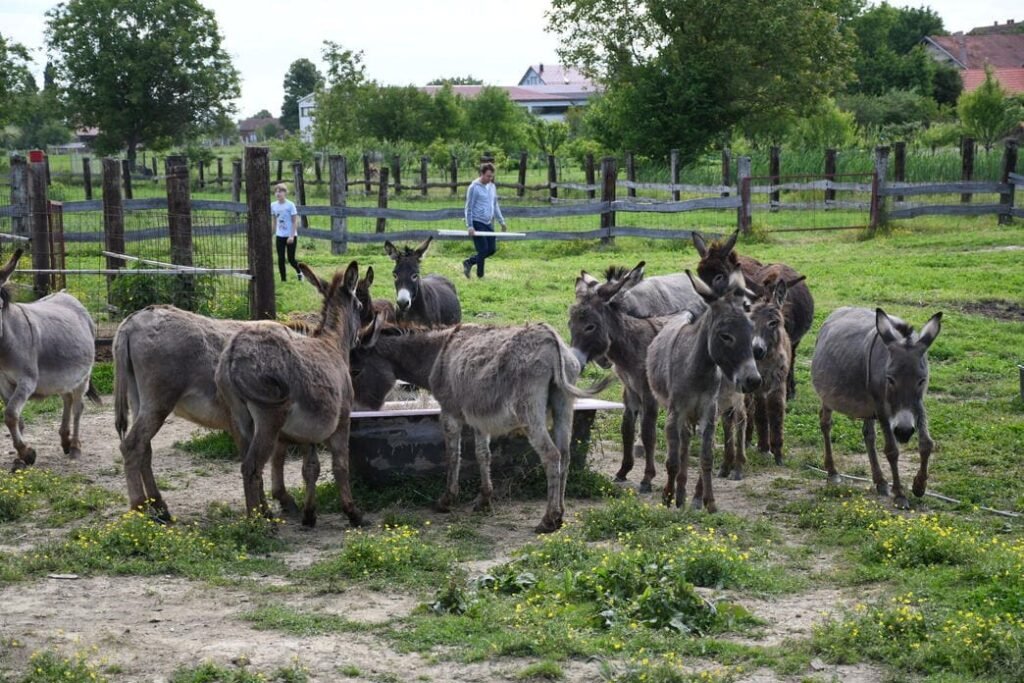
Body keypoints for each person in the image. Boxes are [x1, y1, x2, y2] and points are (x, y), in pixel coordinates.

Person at [462, 162, 507, 279]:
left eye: (491, 176)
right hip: (477, 222)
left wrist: (501, 221)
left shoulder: (492, 187)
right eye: (488, 176)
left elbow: (495, 205)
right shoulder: (474, 187)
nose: (490, 178)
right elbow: (468, 208)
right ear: (481, 174)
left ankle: (469, 262)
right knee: (483, 249)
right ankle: (480, 276)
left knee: (491, 249)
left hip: (487, 222)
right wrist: (470, 225)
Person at [271, 182, 302, 282]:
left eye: (280, 191)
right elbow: (274, 220)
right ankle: (283, 279)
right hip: (279, 236)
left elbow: (294, 222)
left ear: (285, 193)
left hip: (290, 236)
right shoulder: (273, 205)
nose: (278, 194)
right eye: (276, 191)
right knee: (280, 259)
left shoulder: (290, 205)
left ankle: (300, 272)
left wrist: (291, 236)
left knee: (291, 259)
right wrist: (272, 233)